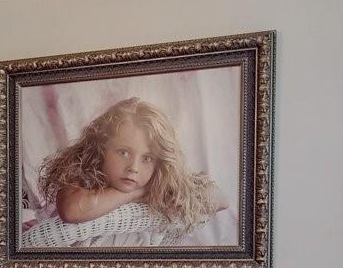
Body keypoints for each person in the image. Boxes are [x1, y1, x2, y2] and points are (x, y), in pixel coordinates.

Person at [19, 96, 237, 249]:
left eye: (147, 158)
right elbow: (71, 211)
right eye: (123, 152)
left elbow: (222, 199)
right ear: (101, 148)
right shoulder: (84, 178)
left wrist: (168, 189)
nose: (134, 167)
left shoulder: (158, 184)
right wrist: (132, 194)